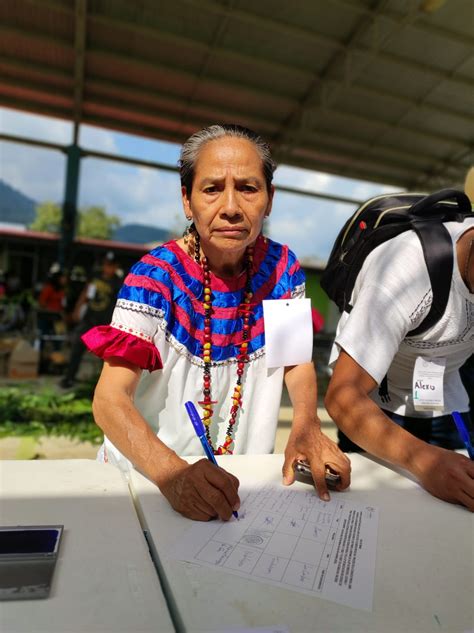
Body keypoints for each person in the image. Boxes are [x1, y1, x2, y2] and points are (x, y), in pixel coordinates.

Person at [83, 124, 351, 522]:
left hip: (234, 481)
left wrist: (306, 422)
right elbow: (110, 400)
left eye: (248, 187)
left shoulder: (281, 269)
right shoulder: (154, 277)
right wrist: (173, 475)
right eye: (211, 189)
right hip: (147, 481)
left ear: (269, 199)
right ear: (187, 202)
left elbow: (295, 361)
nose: (230, 206)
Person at [325, 199, 474, 511]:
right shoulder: (406, 269)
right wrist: (423, 459)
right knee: (372, 512)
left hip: (446, 395)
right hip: (376, 408)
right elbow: (344, 397)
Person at [59, 252, 121, 388]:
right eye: (105, 264)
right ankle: (69, 377)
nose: (107, 268)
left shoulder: (118, 283)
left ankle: (100, 384)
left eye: (110, 265)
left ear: (115, 267)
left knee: (103, 355)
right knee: (77, 347)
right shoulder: (95, 277)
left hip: (104, 324)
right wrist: (77, 309)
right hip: (89, 319)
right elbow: (86, 294)